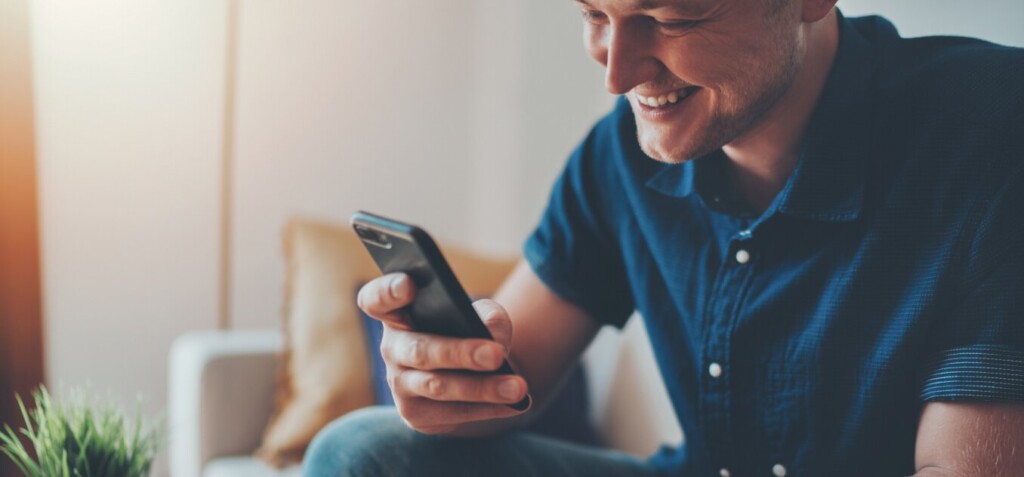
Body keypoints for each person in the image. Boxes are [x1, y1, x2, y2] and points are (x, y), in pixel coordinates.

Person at [305, 0, 1024, 475]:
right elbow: (502, 382)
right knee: (363, 451)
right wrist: (442, 381)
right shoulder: (620, 152)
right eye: (594, 12)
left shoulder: (992, 125)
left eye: (668, 16)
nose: (617, 71)